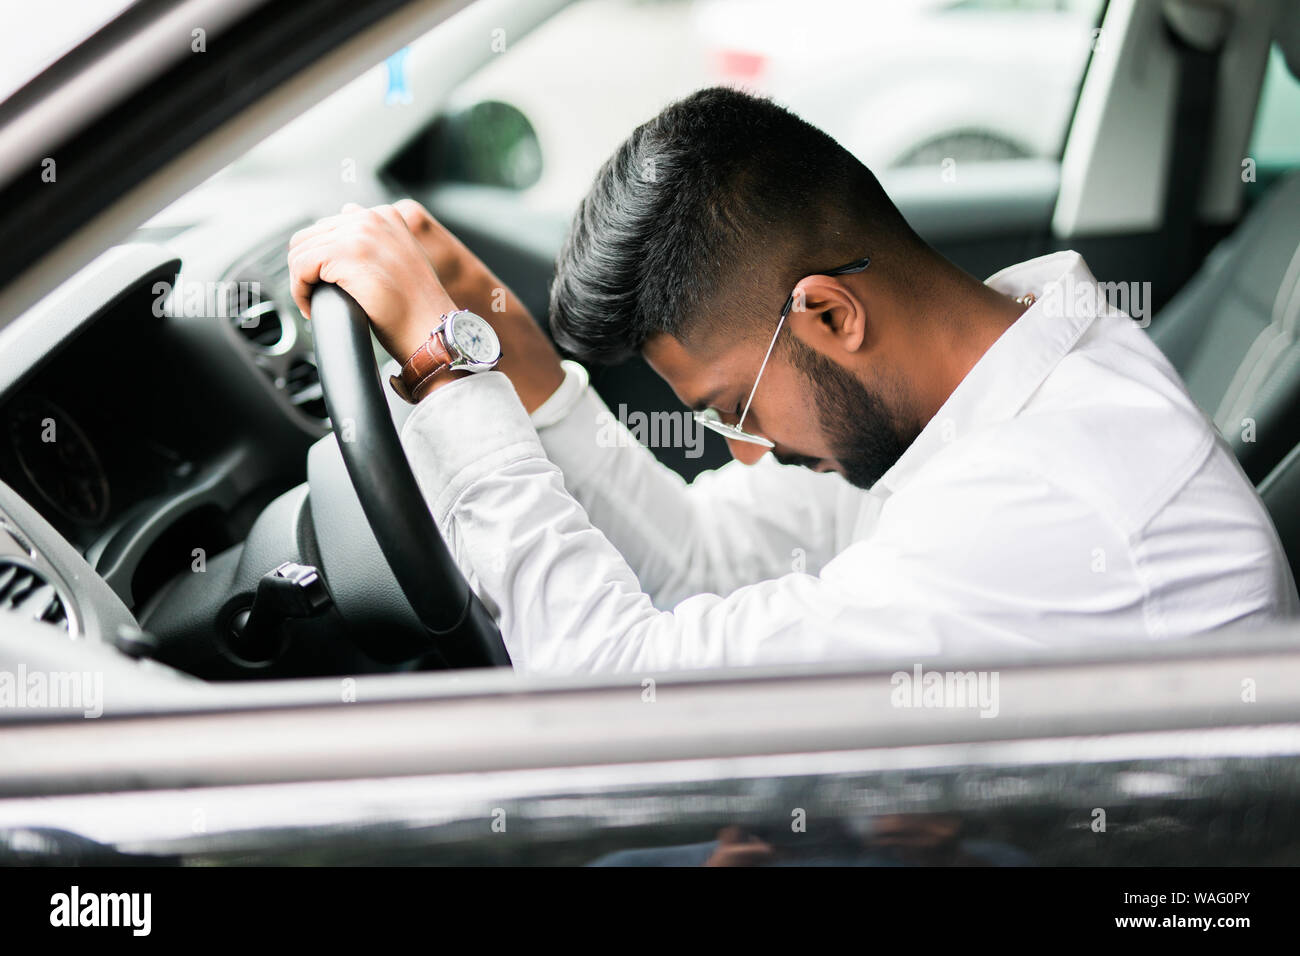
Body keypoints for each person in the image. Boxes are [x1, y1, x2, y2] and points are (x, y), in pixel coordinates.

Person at [286, 87, 1297, 673]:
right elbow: (695, 559)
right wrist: (518, 368)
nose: (739, 446)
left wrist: (442, 373)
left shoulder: (1040, 498)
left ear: (828, 314)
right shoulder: (997, 386)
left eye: (734, 405)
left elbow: (611, 692)